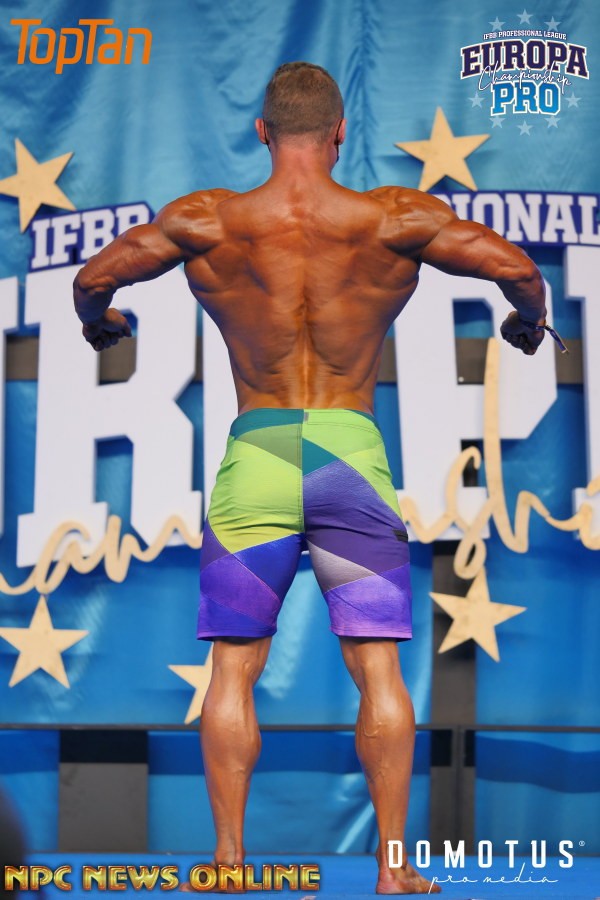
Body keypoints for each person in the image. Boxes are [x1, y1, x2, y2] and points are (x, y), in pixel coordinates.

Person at [73, 62, 548, 895]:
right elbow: (516, 269)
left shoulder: (208, 220)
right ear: (339, 133)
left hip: (257, 453)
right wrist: (528, 322)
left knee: (232, 669)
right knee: (377, 668)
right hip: (347, 457)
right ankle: (393, 869)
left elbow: (92, 279)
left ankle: (228, 864)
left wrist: (100, 322)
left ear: (262, 132)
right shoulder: (392, 217)